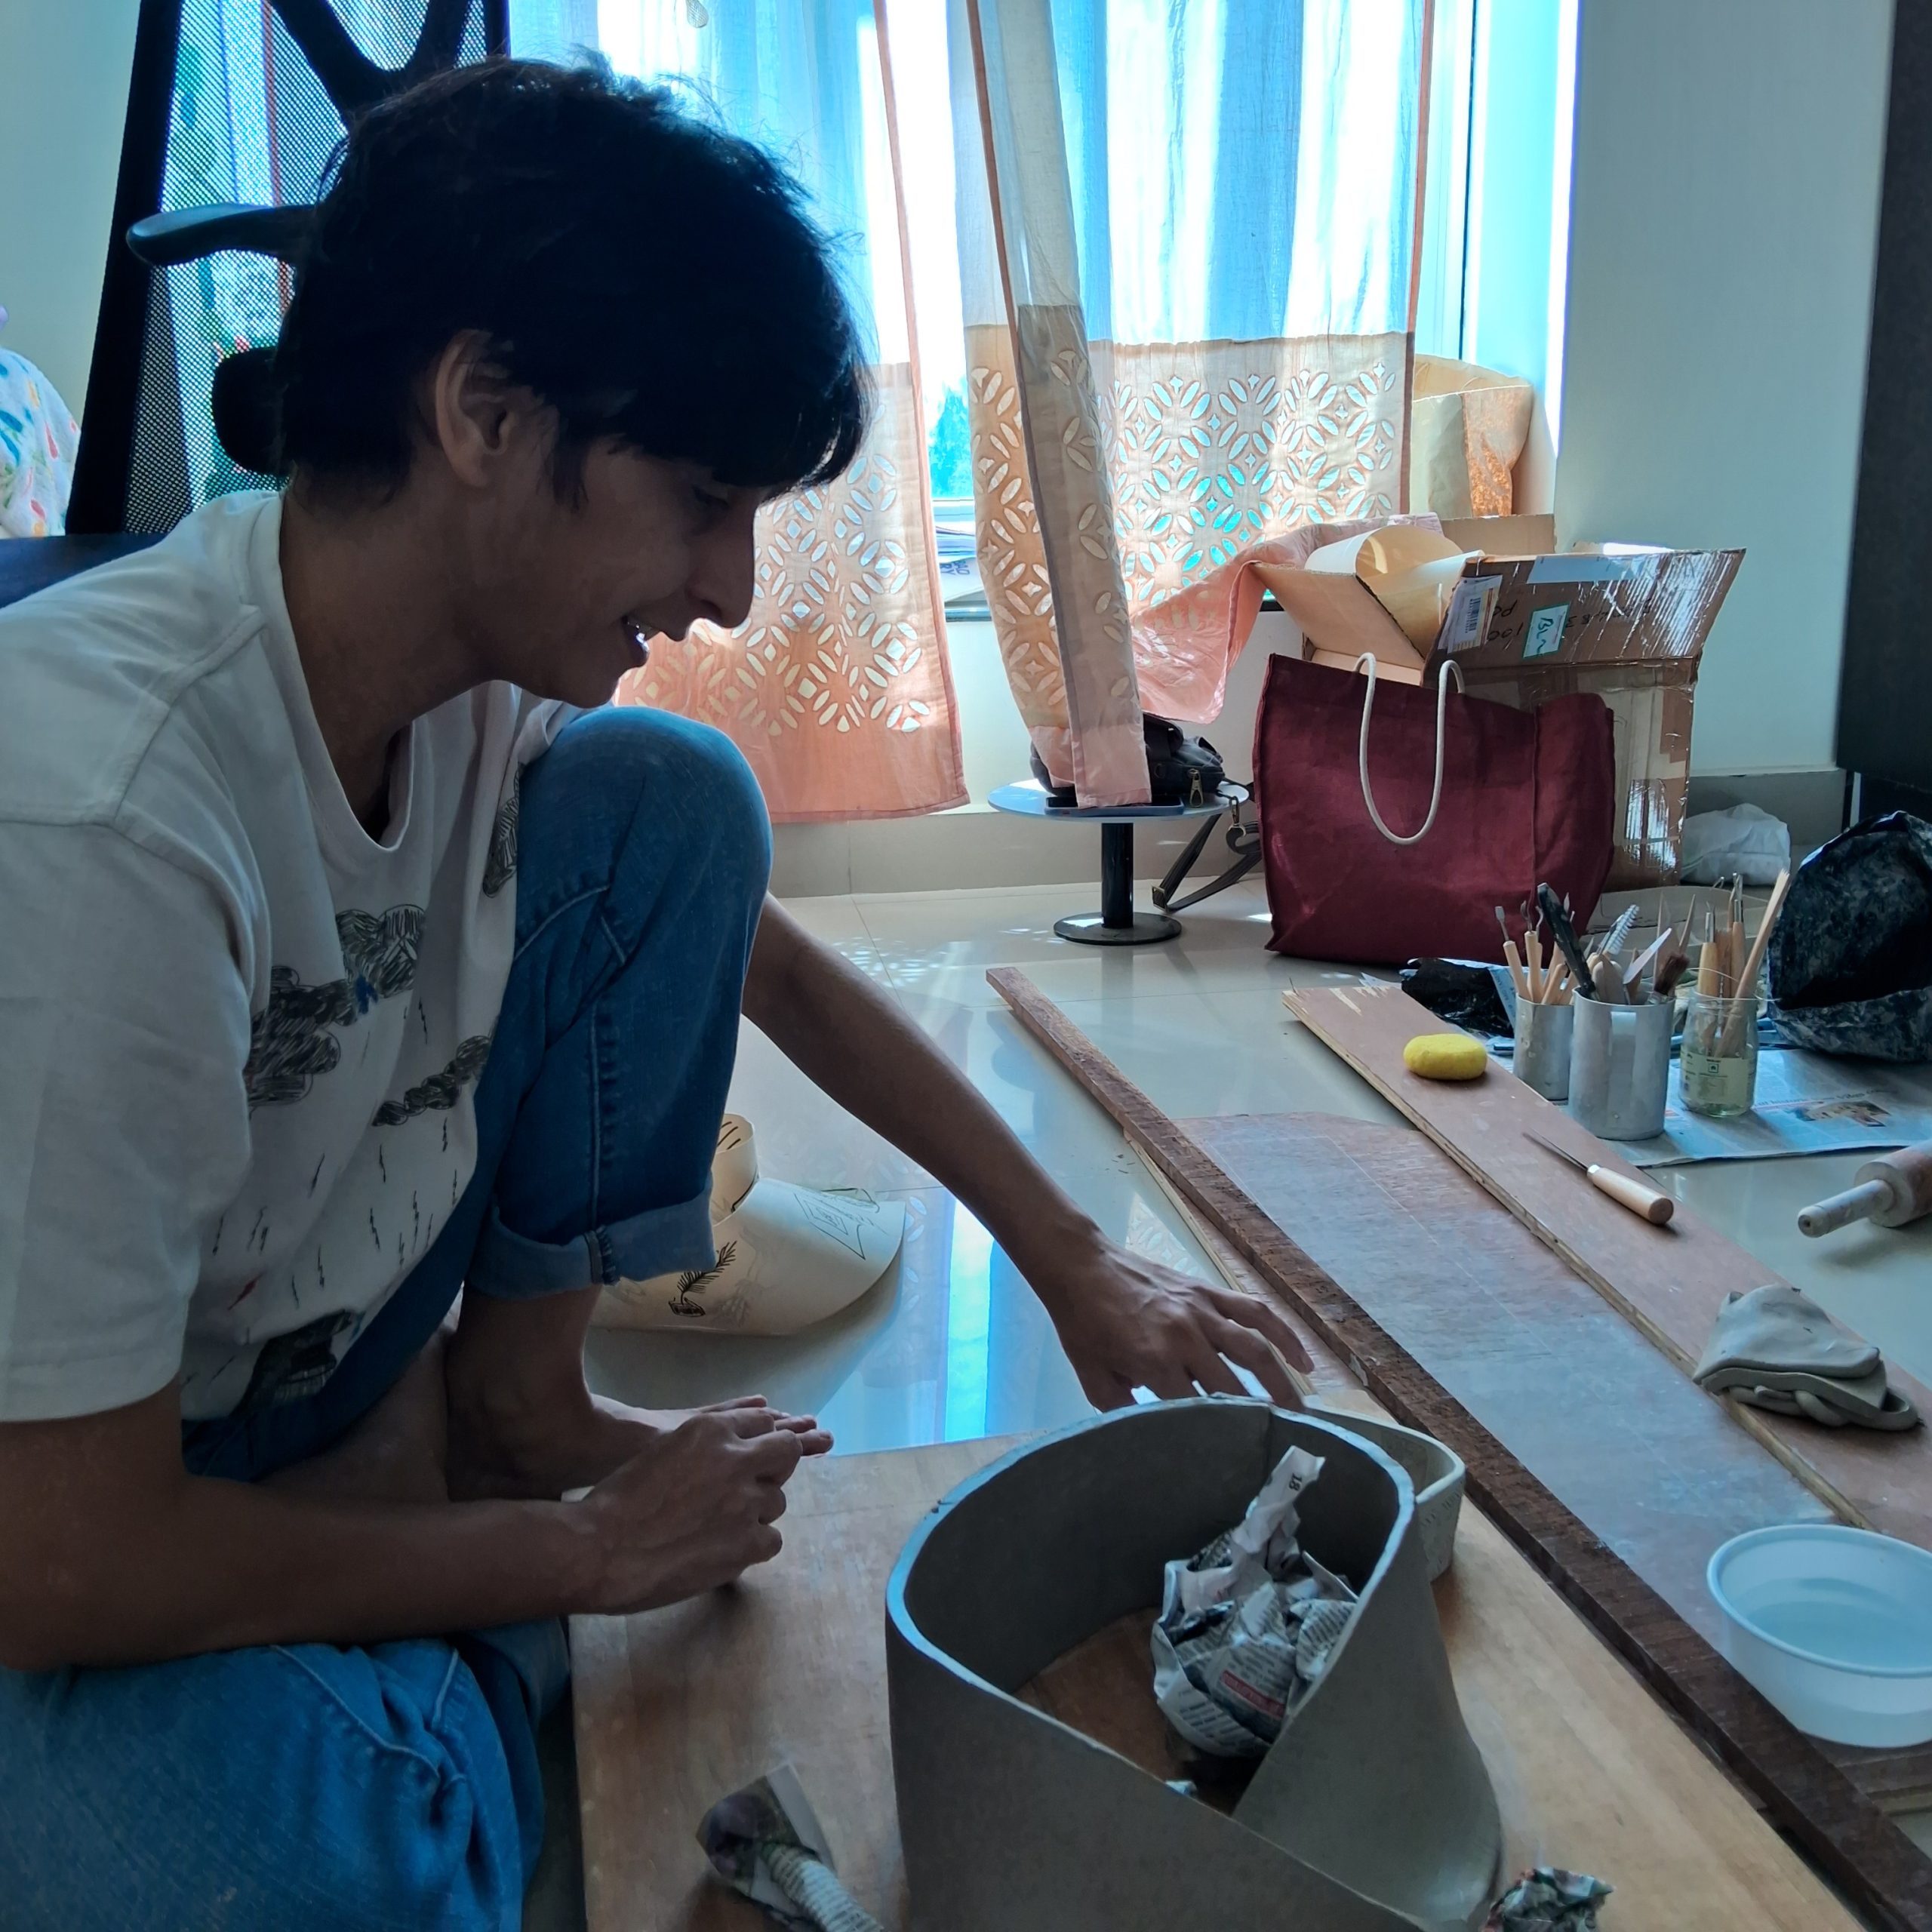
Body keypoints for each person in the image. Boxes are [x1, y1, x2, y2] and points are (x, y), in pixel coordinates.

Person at [0, 60, 1310, 1928]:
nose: (726, 587)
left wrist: (1070, 1251)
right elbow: (58, 1555)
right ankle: (444, 1578)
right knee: (319, 1858)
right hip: (73, 1512)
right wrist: (569, 1553)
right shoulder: (101, 812)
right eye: (700, 501)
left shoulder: (461, 679)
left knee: (677, 804)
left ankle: (476, 1449)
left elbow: (764, 958)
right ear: (478, 410)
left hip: (306, 1376)